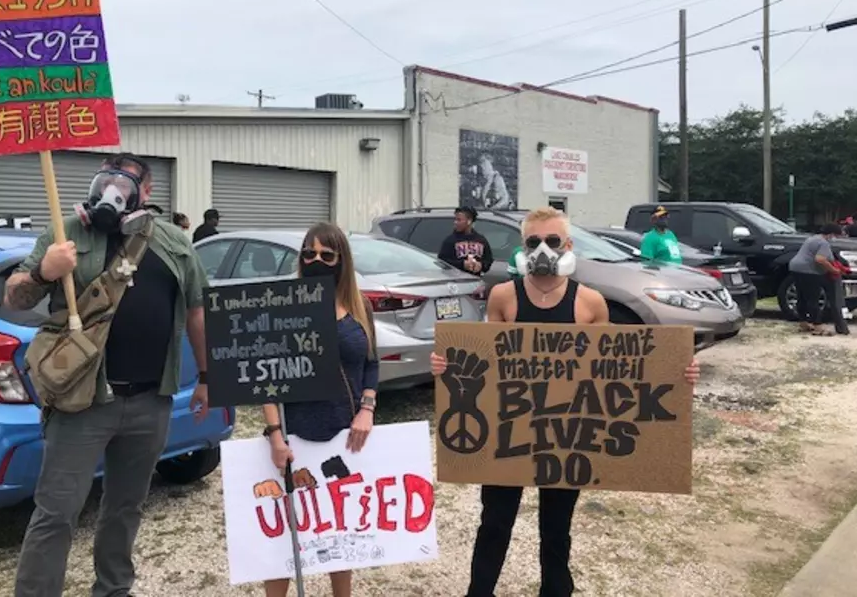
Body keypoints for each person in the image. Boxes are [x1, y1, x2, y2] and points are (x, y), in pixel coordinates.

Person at [431, 206, 700, 597]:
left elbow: (616, 370)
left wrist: (677, 374)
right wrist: (447, 364)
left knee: (556, 529)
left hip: (567, 435)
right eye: (533, 242)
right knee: (494, 523)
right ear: (523, 247)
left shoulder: (590, 303)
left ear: (568, 245)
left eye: (552, 241)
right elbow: (486, 360)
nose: (543, 249)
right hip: (510, 434)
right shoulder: (504, 297)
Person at [5, 152, 209, 597]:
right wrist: (44, 271)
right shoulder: (67, 234)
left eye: (126, 182)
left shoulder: (175, 241)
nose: (112, 190)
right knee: (56, 511)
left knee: (125, 507)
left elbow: (197, 310)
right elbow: (15, 297)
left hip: (150, 401)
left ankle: (114, 589)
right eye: (106, 179)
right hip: (83, 402)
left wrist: (209, 376)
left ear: (147, 192)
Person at [260, 222, 378, 597]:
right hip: (293, 434)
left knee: (338, 533)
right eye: (308, 254)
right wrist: (274, 434)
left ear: (341, 259)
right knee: (282, 541)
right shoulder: (284, 308)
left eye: (326, 255)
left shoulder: (361, 308)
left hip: (345, 434)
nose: (316, 260)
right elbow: (266, 376)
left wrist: (368, 408)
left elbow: (371, 363)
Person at [790, 223, 844, 336]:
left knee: (802, 296)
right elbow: (820, 259)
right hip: (809, 271)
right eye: (837, 236)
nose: (836, 238)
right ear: (831, 234)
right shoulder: (823, 243)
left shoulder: (812, 239)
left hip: (795, 267)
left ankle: (803, 322)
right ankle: (818, 325)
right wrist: (834, 270)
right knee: (812, 298)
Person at [438, 207, 494, 276]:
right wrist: (462, 264)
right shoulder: (450, 240)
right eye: (455, 219)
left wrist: (481, 266)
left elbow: (488, 260)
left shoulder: (481, 240)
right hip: (456, 281)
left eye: (459, 220)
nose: (455, 222)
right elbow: (442, 262)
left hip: (475, 281)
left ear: (469, 221)